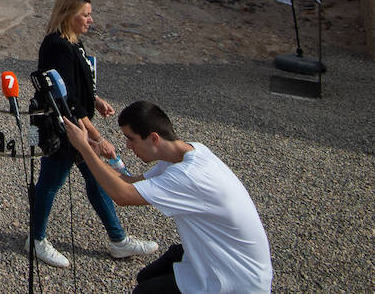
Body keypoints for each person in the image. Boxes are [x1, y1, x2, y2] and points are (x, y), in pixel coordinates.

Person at [62, 101, 273, 294]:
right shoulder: (189, 151)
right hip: (216, 254)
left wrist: (82, 148)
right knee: (145, 277)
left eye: (131, 139)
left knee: (143, 292)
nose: (127, 146)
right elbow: (129, 183)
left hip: (236, 280)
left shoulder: (188, 176)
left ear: (154, 138)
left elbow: (122, 195)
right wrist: (93, 152)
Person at [29, 0, 157, 268]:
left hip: (78, 127)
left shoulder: (73, 43)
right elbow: (66, 99)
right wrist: (98, 139)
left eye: (90, 14)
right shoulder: (56, 47)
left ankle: (118, 240)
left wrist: (95, 100)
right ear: (68, 15)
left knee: (97, 180)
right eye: (85, 15)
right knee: (50, 183)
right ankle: (36, 240)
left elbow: (78, 87)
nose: (90, 20)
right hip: (65, 131)